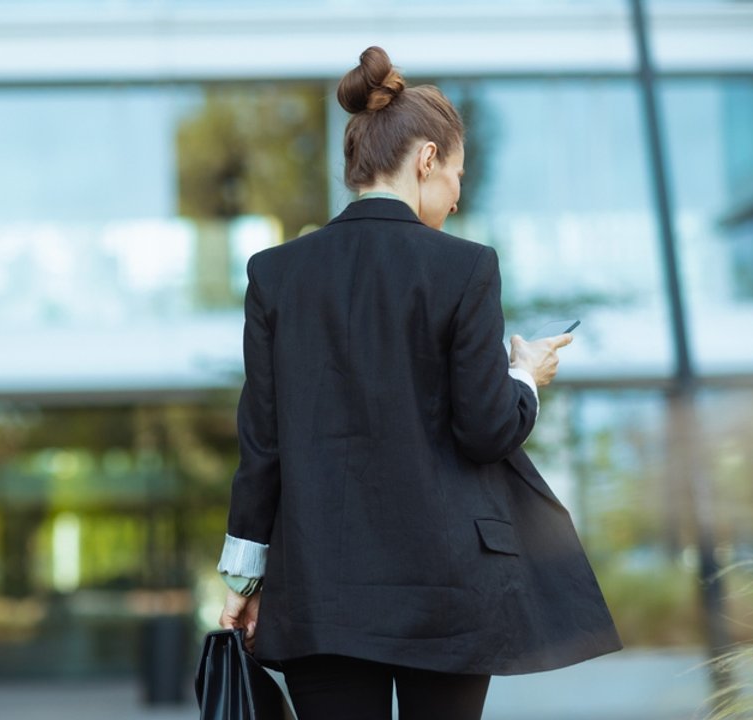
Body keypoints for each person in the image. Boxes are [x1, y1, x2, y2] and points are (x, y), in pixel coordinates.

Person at [215, 46, 621, 720]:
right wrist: (525, 373)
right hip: (449, 592)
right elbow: (487, 428)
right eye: (458, 173)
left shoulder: (275, 274)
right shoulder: (464, 269)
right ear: (427, 158)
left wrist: (240, 579)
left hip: (321, 590)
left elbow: (262, 447)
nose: (458, 196)